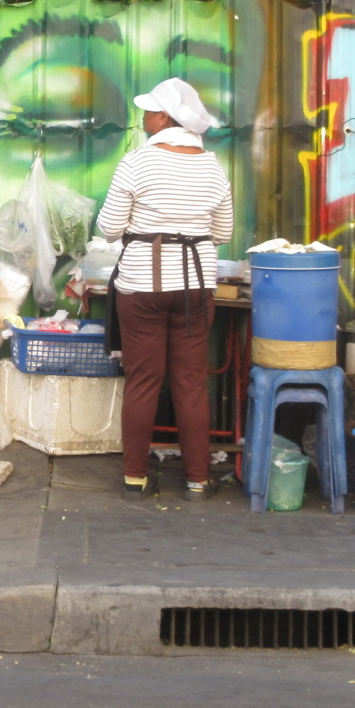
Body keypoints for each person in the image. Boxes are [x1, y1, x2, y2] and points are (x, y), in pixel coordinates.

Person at [96, 77, 234, 500]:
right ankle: (197, 479)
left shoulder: (136, 162)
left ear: (163, 117)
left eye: (148, 111)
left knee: (143, 381)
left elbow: (108, 227)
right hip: (195, 287)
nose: (142, 117)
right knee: (191, 382)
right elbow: (223, 232)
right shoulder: (213, 167)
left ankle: (136, 476)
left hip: (142, 289)